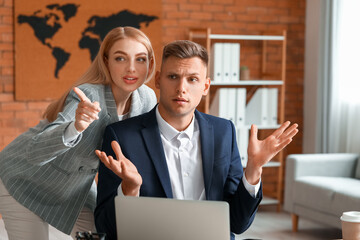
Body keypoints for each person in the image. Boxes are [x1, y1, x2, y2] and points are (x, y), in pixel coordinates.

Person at [95, 40, 299, 240]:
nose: (181, 88)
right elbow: (105, 227)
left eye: (192, 79)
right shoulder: (120, 137)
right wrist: (129, 191)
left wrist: (253, 169)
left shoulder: (224, 132)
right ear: (158, 80)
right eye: (173, 76)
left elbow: (237, 223)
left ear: (205, 86)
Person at [0, 26, 157, 240]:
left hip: (75, 186)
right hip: (24, 179)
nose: (132, 68)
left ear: (149, 64)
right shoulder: (89, 95)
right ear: (106, 61)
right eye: (120, 59)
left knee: (104, 232)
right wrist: (76, 127)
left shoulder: (147, 99)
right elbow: (35, 153)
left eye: (140, 59)